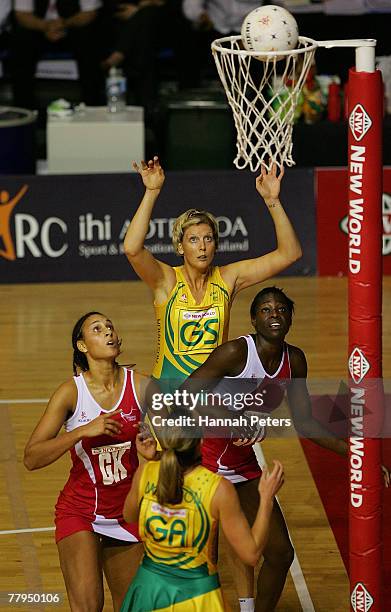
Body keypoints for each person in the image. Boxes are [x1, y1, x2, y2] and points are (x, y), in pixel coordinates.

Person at [180, 286, 391, 611]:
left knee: (280, 554)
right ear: (253, 319)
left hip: (240, 464)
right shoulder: (235, 353)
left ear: (291, 316)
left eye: (281, 309)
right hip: (206, 460)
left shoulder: (294, 360)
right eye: (265, 309)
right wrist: (234, 419)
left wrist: (358, 458)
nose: (274, 314)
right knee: (202, 561)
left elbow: (305, 423)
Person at [124, 156, 301, 393]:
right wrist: (152, 192)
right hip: (168, 393)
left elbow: (290, 254)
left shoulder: (228, 278)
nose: (202, 246)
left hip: (214, 395)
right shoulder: (165, 280)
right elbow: (132, 249)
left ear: (216, 245)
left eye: (208, 239)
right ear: (180, 247)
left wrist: (272, 200)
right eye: (193, 240)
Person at [24, 311, 157, 612]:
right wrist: (84, 429)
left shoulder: (141, 385)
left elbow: (183, 426)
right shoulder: (71, 392)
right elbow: (31, 457)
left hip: (127, 512)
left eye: (110, 326)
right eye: (97, 329)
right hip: (80, 511)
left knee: (133, 607)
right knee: (88, 607)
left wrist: (156, 448)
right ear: (82, 346)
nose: (108, 331)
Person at [120, 424, 284, 612]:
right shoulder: (217, 488)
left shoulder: (147, 472)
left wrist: (154, 464)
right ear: (201, 443)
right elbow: (252, 554)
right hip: (196, 596)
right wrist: (266, 500)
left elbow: (129, 516)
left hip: (149, 590)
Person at [11, 0, 104, 109]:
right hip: (39, 28)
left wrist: (64, 24)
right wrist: (46, 26)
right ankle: (25, 109)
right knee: (21, 40)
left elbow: (90, 12)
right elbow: (22, 14)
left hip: (73, 26)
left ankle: (92, 105)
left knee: (89, 39)